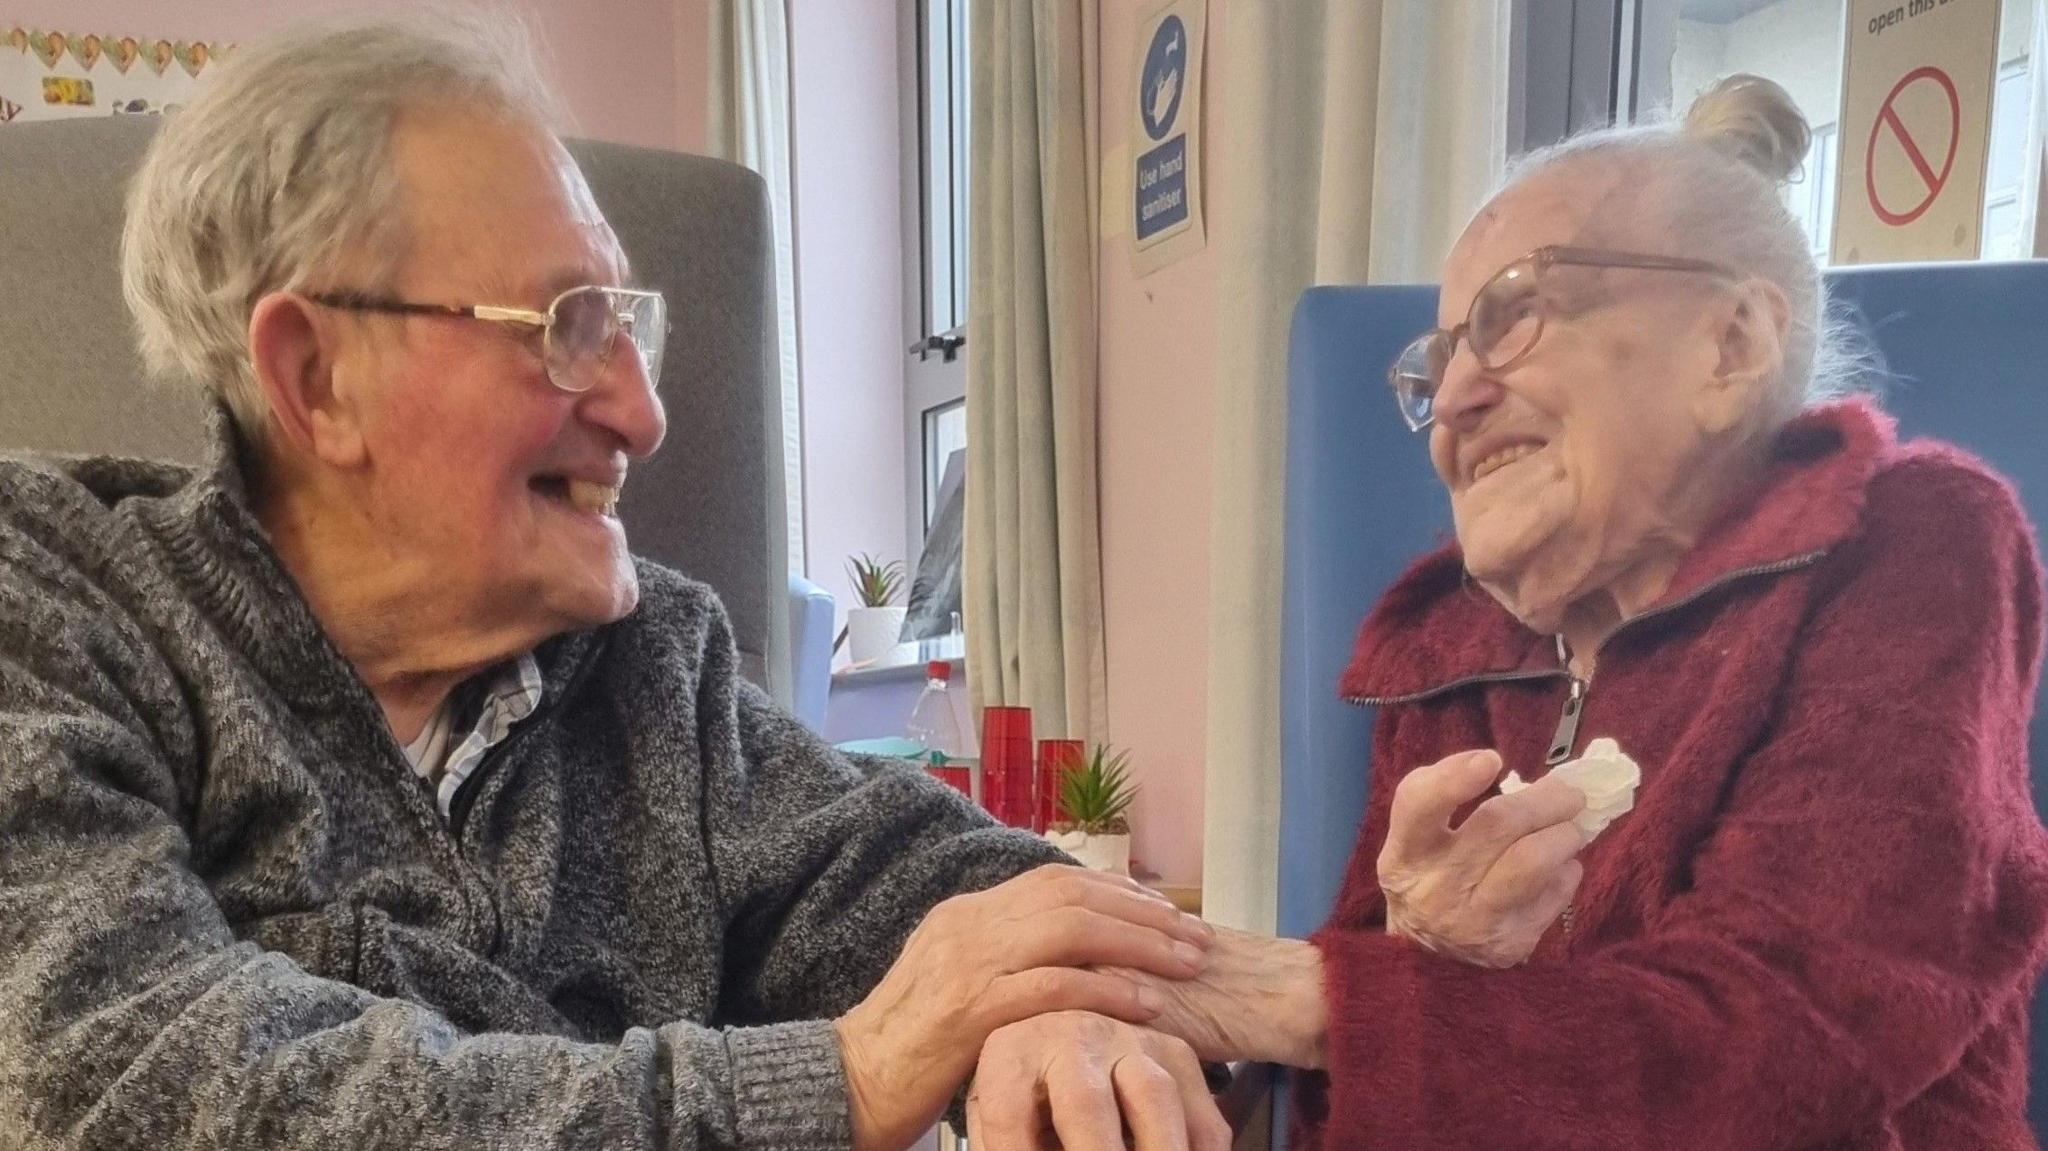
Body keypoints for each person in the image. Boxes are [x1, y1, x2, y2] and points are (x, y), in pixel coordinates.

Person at [0, 16, 1231, 1151]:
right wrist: (840, 1077)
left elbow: (926, 880)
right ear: (317, 376)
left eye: (628, 332)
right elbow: (114, 1077)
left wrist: (1068, 1002)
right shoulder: (57, 599)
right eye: (565, 327)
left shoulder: (654, 670)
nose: (641, 414)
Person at [1113, 75, 2048, 1150]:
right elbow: (1354, 1086)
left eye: (1515, 315)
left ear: (1727, 346)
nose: (1452, 401)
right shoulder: (1441, 648)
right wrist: (1411, 956)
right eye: (1440, 358)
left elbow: (1786, 1048)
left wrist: (1324, 995)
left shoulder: (1903, 542)